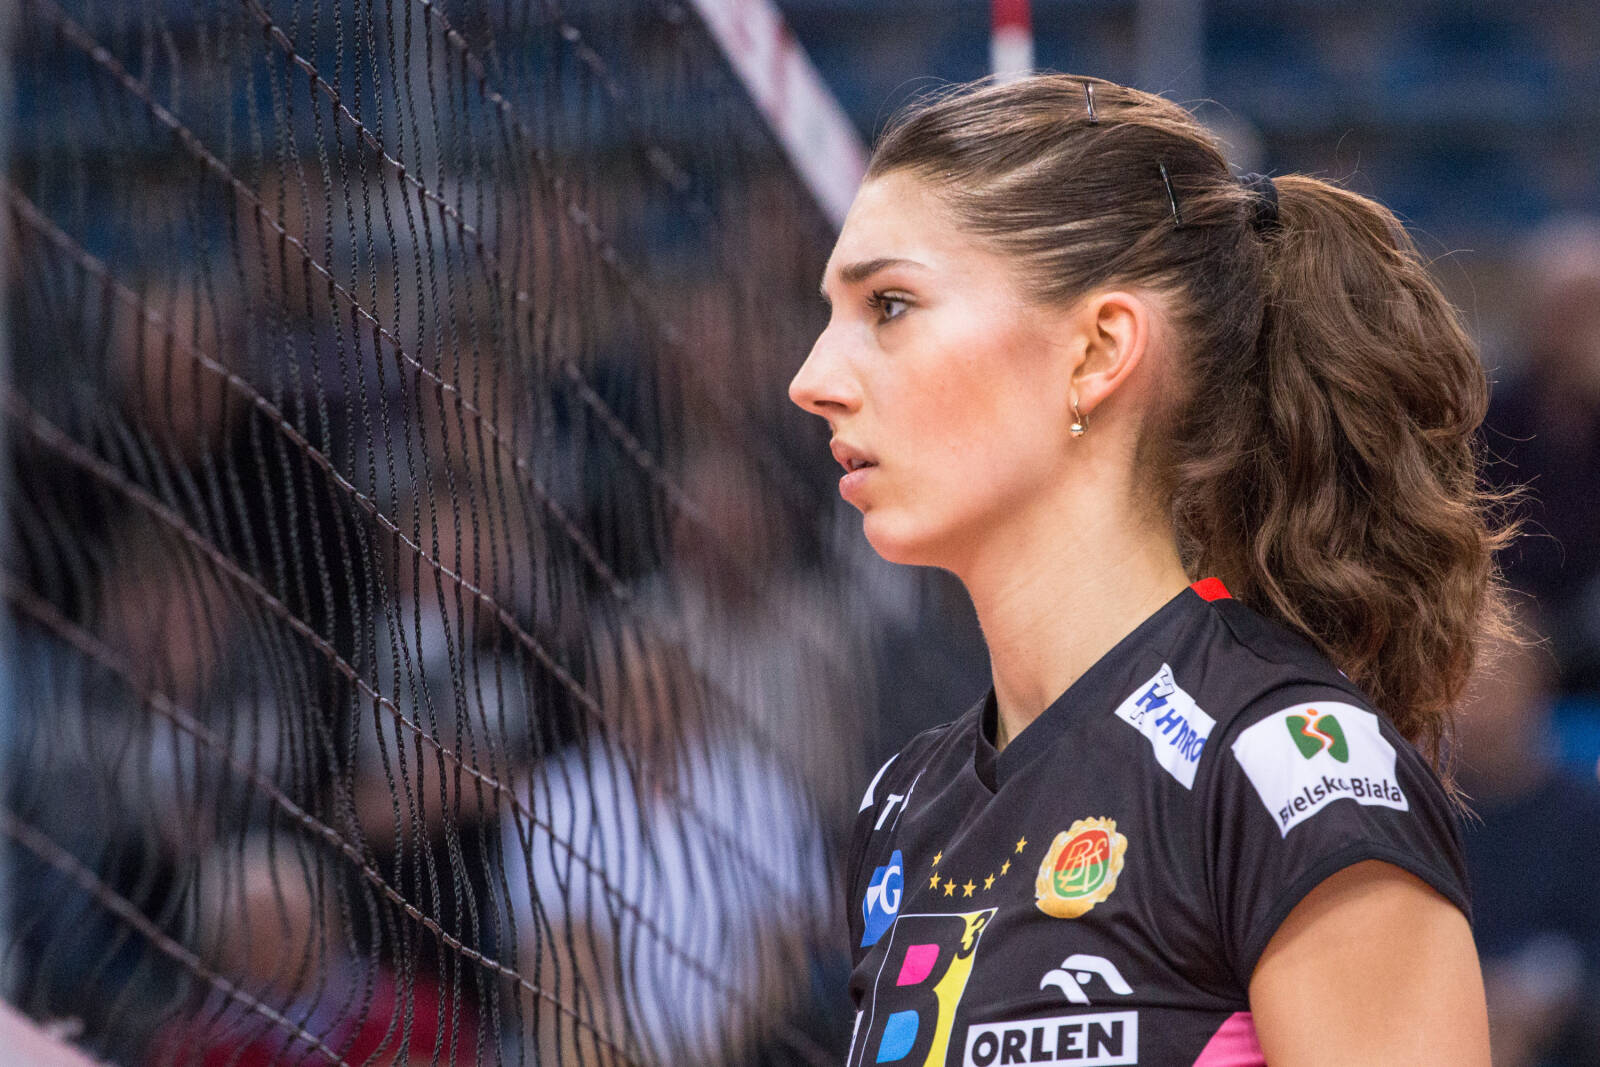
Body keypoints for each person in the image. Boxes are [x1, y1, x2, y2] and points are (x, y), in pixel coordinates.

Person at [788, 74, 1513, 1066]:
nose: (813, 379)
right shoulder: (902, 804)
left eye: (891, 304)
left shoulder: (1289, 769)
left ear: (1097, 351)